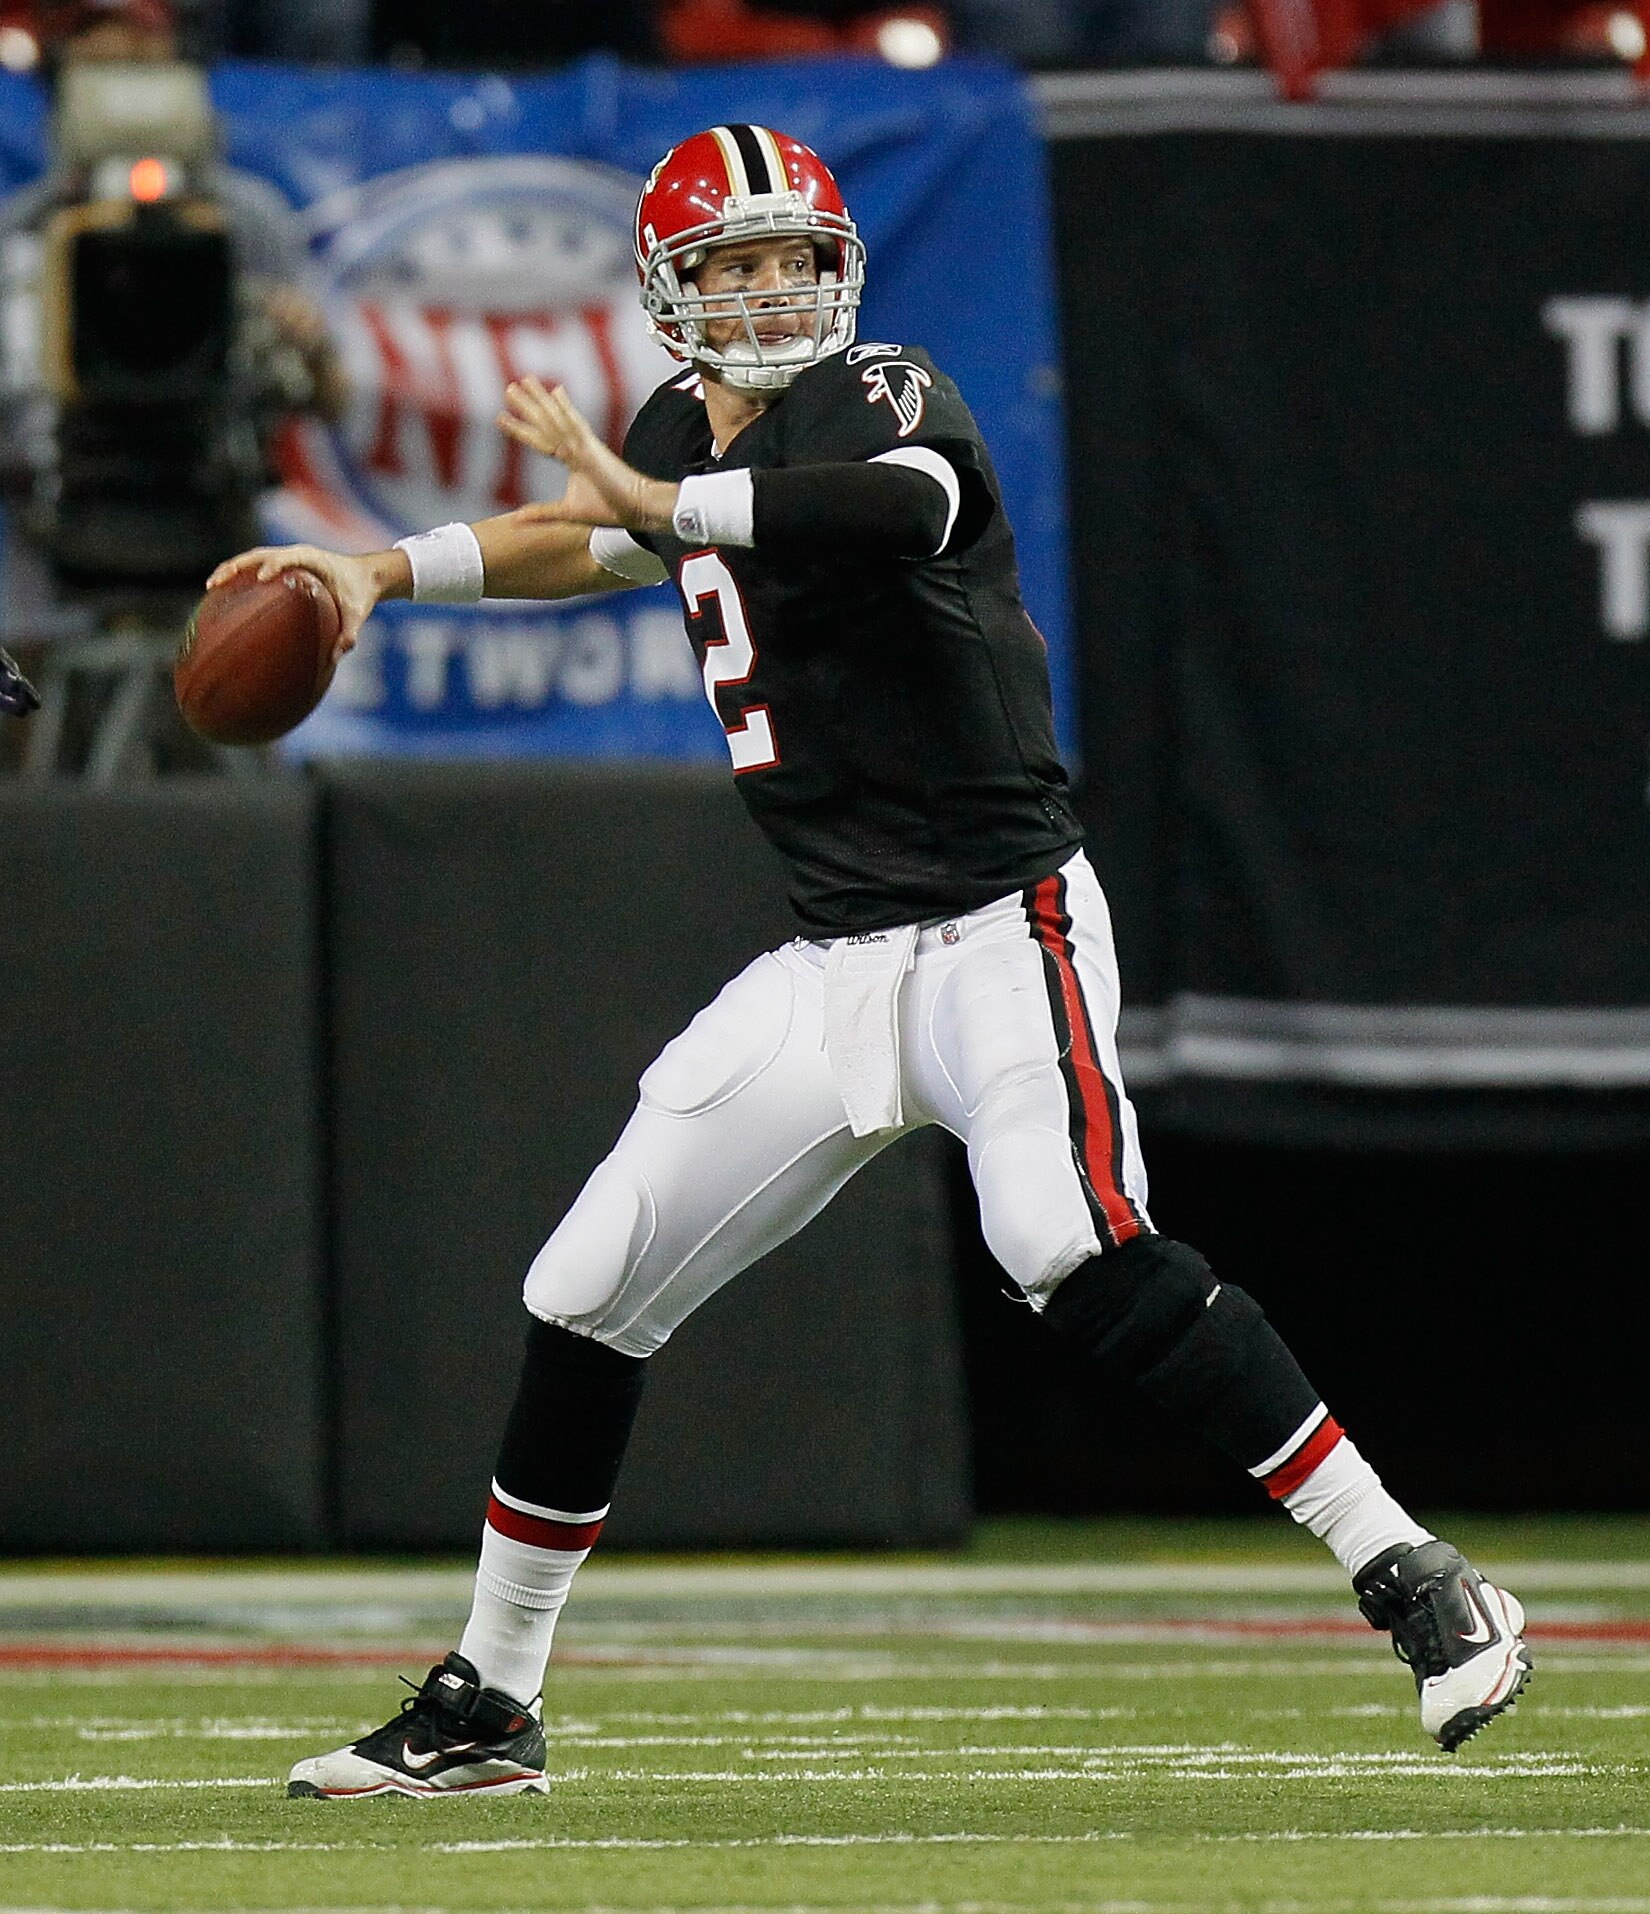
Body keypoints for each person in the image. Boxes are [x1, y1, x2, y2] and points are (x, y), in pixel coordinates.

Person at [213, 124, 1531, 1802]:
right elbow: (590, 540)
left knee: (1064, 1236)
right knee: (586, 1283)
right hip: (833, 957)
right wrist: (379, 568)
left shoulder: (889, 395)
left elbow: (883, 509)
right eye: (730, 266)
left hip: (1002, 922)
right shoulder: (677, 434)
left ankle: (1416, 1571)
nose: (765, 292)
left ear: (834, 267)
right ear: (671, 290)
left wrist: (657, 498)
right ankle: (491, 1702)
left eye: (787, 259)